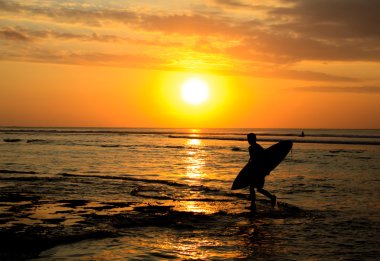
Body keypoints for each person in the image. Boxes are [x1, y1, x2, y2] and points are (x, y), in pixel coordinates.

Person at [247, 133, 277, 211]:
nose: (248, 141)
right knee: (257, 188)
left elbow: (264, 158)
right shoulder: (252, 148)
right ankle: (271, 198)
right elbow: (251, 159)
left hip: (259, 171)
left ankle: (254, 205)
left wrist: (267, 170)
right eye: (248, 139)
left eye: (249, 139)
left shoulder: (257, 148)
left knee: (254, 188)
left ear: (253, 139)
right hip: (256, 170)